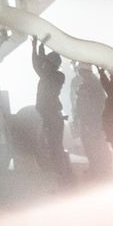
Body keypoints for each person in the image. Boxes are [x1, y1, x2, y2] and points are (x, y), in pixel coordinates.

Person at [30, 47, 72, 184]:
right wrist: (38, 49)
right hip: (52, 115)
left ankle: (62, 174)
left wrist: (37, 50)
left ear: (51, 65)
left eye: (47, 63)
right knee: (54, 145)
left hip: (51, 116)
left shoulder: (52, 77)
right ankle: (62, 174)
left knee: (54, 146)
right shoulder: (55, 76)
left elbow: (38, 66)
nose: (44, 65)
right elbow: (39, 66)